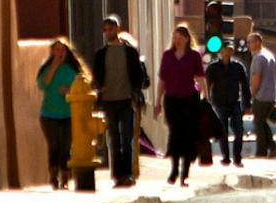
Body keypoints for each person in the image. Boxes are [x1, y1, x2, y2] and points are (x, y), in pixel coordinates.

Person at [89, 15, 148, 188]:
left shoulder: (129, 52)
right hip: (108, 101)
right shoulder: (100, 54)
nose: (109, 32)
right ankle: (117, 175)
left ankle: (127, 174)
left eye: (111, 29)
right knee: (113, 139)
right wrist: (100, 87)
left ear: (118, 30)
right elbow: (96, 75)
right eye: (106, 30)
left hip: (126, 99)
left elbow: (138, 75)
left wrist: (134, 91)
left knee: (127, 138)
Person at [157, 24, 205, 186]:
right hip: (172, 100)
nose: (177, 41)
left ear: (186, 39)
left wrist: (205, 98)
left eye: (180, 38)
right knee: (175, 133)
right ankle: (174, 169)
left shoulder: (194, 56)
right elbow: (162, 80)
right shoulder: (167, 56)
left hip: (189, 100)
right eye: (174, 38)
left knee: (188, 136)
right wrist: (157, 101)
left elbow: (200, 78)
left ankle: (185, 173)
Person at [34, 39, 84, 189]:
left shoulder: (73, 70)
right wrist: (54, 66)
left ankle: (65, 176)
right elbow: (43, 84)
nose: (59, 53)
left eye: (62, 50)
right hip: (49, 115)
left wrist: (70, 90)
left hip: (68, 114)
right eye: (56, 50)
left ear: (67, 52)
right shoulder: (47, 68)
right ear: (52, 52)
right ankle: (53, 176)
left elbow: (83, 87)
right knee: (54, 145)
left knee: (66, 147)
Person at [203, 41, 249, 166]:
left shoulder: (238, 67)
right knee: (223, 132)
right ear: (220, 52)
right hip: (219, 103)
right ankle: (226, 157)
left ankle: (237, 157)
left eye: (229, 50)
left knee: (239, 131)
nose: (226, 53)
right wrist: (207, 100)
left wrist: (247, 104)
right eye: (224, 50)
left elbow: (244, 86)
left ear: (232, 52)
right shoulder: (213, 68)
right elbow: (206, 84)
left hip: (235, 103)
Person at [247, 33, 276, 159]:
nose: (249, 45)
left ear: (257, 42)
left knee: (258, 124)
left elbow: (256, 78)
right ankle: (272, 146)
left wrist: (253, 94)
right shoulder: (269, 55)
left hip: (261, 95)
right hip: (272, 96)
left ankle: (261, 152)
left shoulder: (258, 58)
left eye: (250, 42)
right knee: (262, 122)